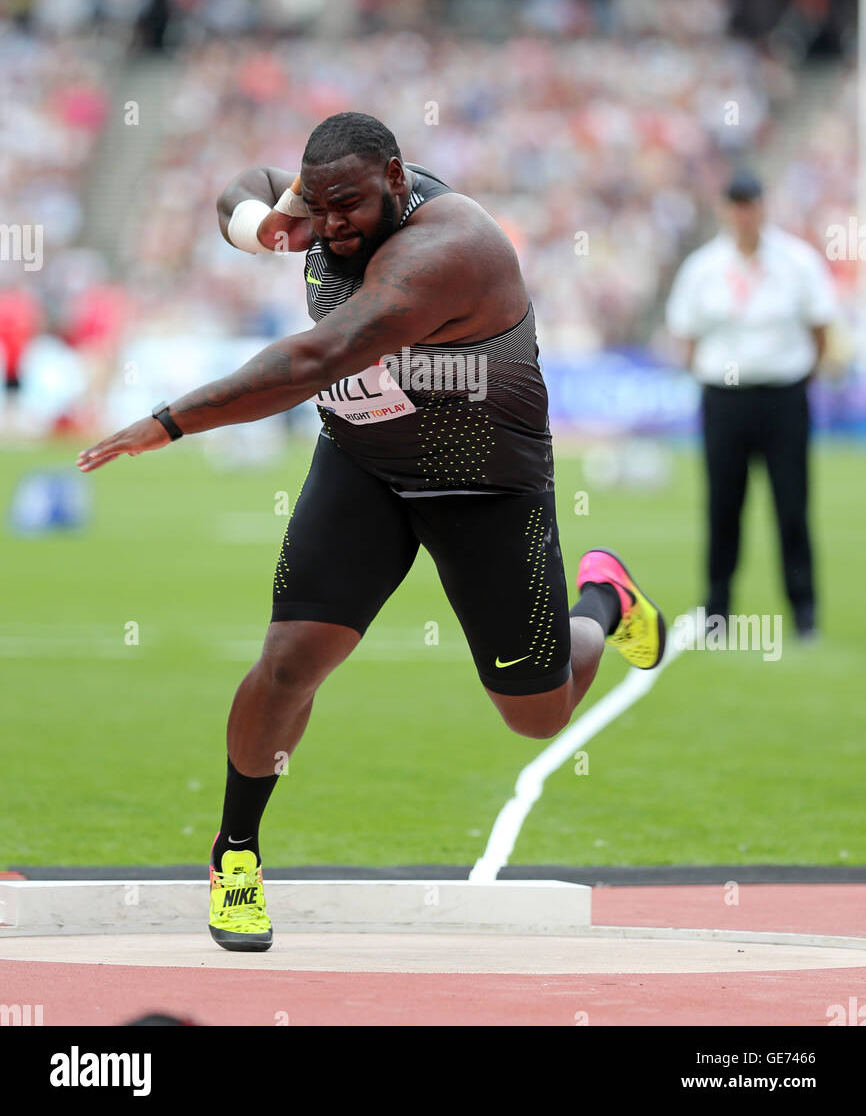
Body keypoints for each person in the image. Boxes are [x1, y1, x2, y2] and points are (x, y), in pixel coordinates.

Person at [78, 111, 666, 951]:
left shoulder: (450, 249)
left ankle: (604, 598)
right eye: (320, 209)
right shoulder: (328, 207)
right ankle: (235, 854)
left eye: (348, 206)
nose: (335, 227)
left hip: (483, 484)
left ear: (395, 178)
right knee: (287, 663)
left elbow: (320, 359)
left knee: (537, 716)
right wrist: (261, 223)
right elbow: (238, 188)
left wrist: (166, 423)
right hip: (365, 466)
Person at [665, 168, 837, 642]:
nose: (744, 214)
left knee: (792, 506)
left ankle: (804, 614)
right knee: (723, 507)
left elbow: (821, 328)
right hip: (724, 401)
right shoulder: (703, 267)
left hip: (783, 396)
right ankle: (717, 612)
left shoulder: (797, 261)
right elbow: (684, 336)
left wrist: (798, 375)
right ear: (725, 209)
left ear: (763, 207)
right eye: (736, 204)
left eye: (751, 204)